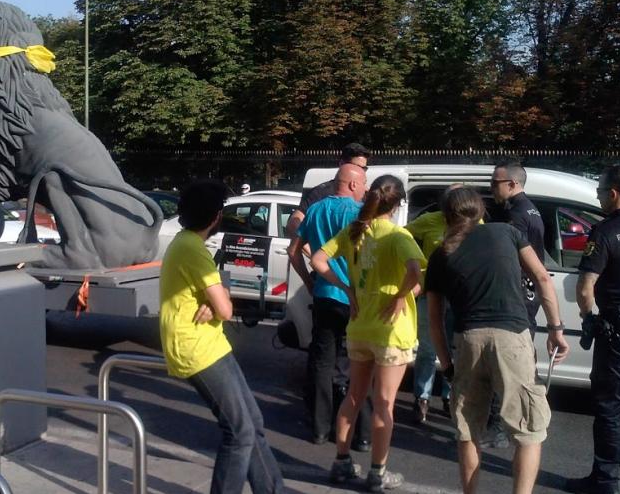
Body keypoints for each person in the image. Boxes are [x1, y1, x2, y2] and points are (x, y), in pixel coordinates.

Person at [426, 187, 569, 494]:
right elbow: (543, 278)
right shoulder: (506, 232)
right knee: (529, 429)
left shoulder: (440, 254)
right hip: (511, 338)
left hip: (468, 340)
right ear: (481, 210)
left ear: (446, 214)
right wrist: (556, 328)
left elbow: (435, 321)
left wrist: (448, 365)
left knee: (468, 430)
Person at [159, 180, 285, 494]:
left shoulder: (188, 243)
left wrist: (213, 302)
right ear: (216, 217)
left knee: (252, 423)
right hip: (195, 348)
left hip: (210, 344)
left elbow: (219, 297)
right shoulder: (191, 248)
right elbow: (226, 308)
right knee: (239, 431)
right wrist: (217, 303)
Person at [311, 174, 425, 492]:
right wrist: (402, 295)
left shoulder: (355, 232)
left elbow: (318, 259)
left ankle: (342, 461)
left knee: (354, 395)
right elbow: (416, 273)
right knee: (384, 403)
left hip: (360, 325)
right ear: (399, 203)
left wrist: (346, 288)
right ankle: (377, 471)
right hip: (391, 330)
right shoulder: (398, 236)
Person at [565, 166, 620, 494]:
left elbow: (586, 287)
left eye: (600, 192)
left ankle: (605, 482)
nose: (599, 198)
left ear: (613, 193)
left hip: (618, 334)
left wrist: (589, 318)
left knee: (610, 410)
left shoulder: (605, 232)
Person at [287, 163, 370, 448]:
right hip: (357, 298)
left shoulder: (316, 210)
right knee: (357, 364)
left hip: (324, 295)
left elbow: (293, 251)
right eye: (363, 184)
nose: (365, 190)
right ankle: (359, 433)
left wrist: (310, 284)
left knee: (323, 363)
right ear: (352, 185)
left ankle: (320, 429)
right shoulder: (361, 214)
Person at [486, 160, 546, 448]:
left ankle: (500, 428)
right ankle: (515, 422)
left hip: (517, 299)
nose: (491, 187)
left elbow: (509, 261)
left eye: (495, 182)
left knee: (506, 365)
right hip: (527, 297)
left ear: (512, 184)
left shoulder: (517, 216)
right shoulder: (529, 208)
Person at [406, 183, 463, 424]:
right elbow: (401, 235)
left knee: (457, 350)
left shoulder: (473, 224)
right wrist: (418, 267)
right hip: (431, 295)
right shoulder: (430, 220)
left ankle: (451, 396)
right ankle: (422, 398)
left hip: (459, 297)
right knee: (428, 349)